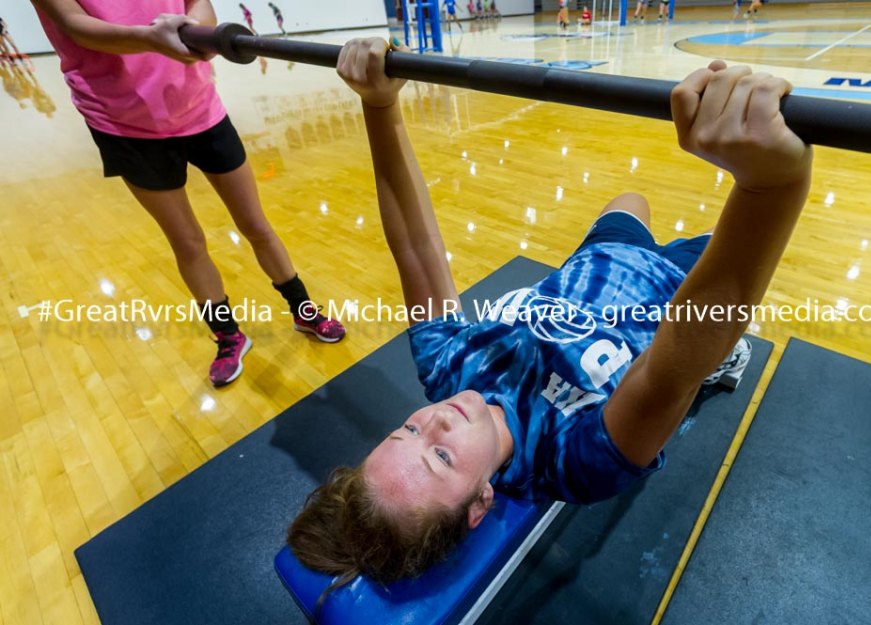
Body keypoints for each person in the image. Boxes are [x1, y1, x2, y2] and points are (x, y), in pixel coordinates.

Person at [286, 37, 812, 588]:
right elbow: (671, 368)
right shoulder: (574, 459)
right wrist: (770, 185)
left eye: (407, 430)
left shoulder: (446, 366)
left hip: (600, 260)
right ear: (479, 502)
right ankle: (729, 362)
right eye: (440, 456)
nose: (433, 419)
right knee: (723, 317)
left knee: (631, 199)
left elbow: (415, 250)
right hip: (680, 289)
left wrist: (378, 103)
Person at [32, 0, 346, 387]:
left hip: (200, 108)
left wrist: (196, 29)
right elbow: (75, 25)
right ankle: (228, 335)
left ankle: (303, 310)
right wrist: (149, 37)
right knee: (188, 241)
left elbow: (199, 4)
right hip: (123, 124)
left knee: (255, 224)